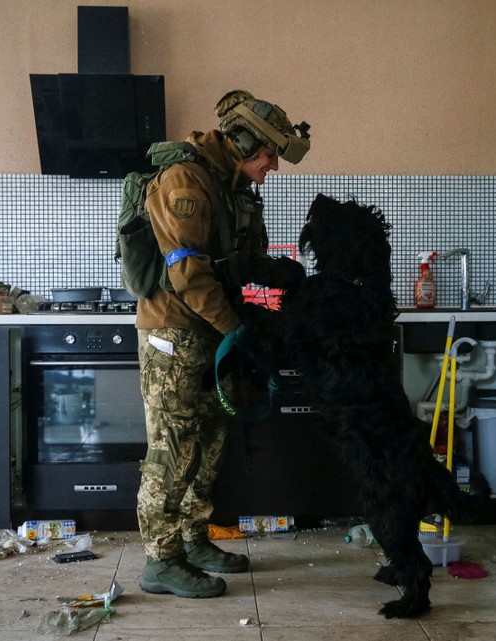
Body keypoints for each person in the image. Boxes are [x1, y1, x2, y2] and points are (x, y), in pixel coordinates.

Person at [134, 89, 312, 599]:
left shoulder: (233, 187)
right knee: (173, 449)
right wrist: (237, 328)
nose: (273, 165)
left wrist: (289, 277)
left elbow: (246, 260)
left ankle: (193, 540)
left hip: (212, 332)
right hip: (174, 332)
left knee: (209, 442)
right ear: (240, 140)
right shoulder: (185, 181)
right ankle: (160, 560)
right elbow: (188, 273)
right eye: (268, 154)